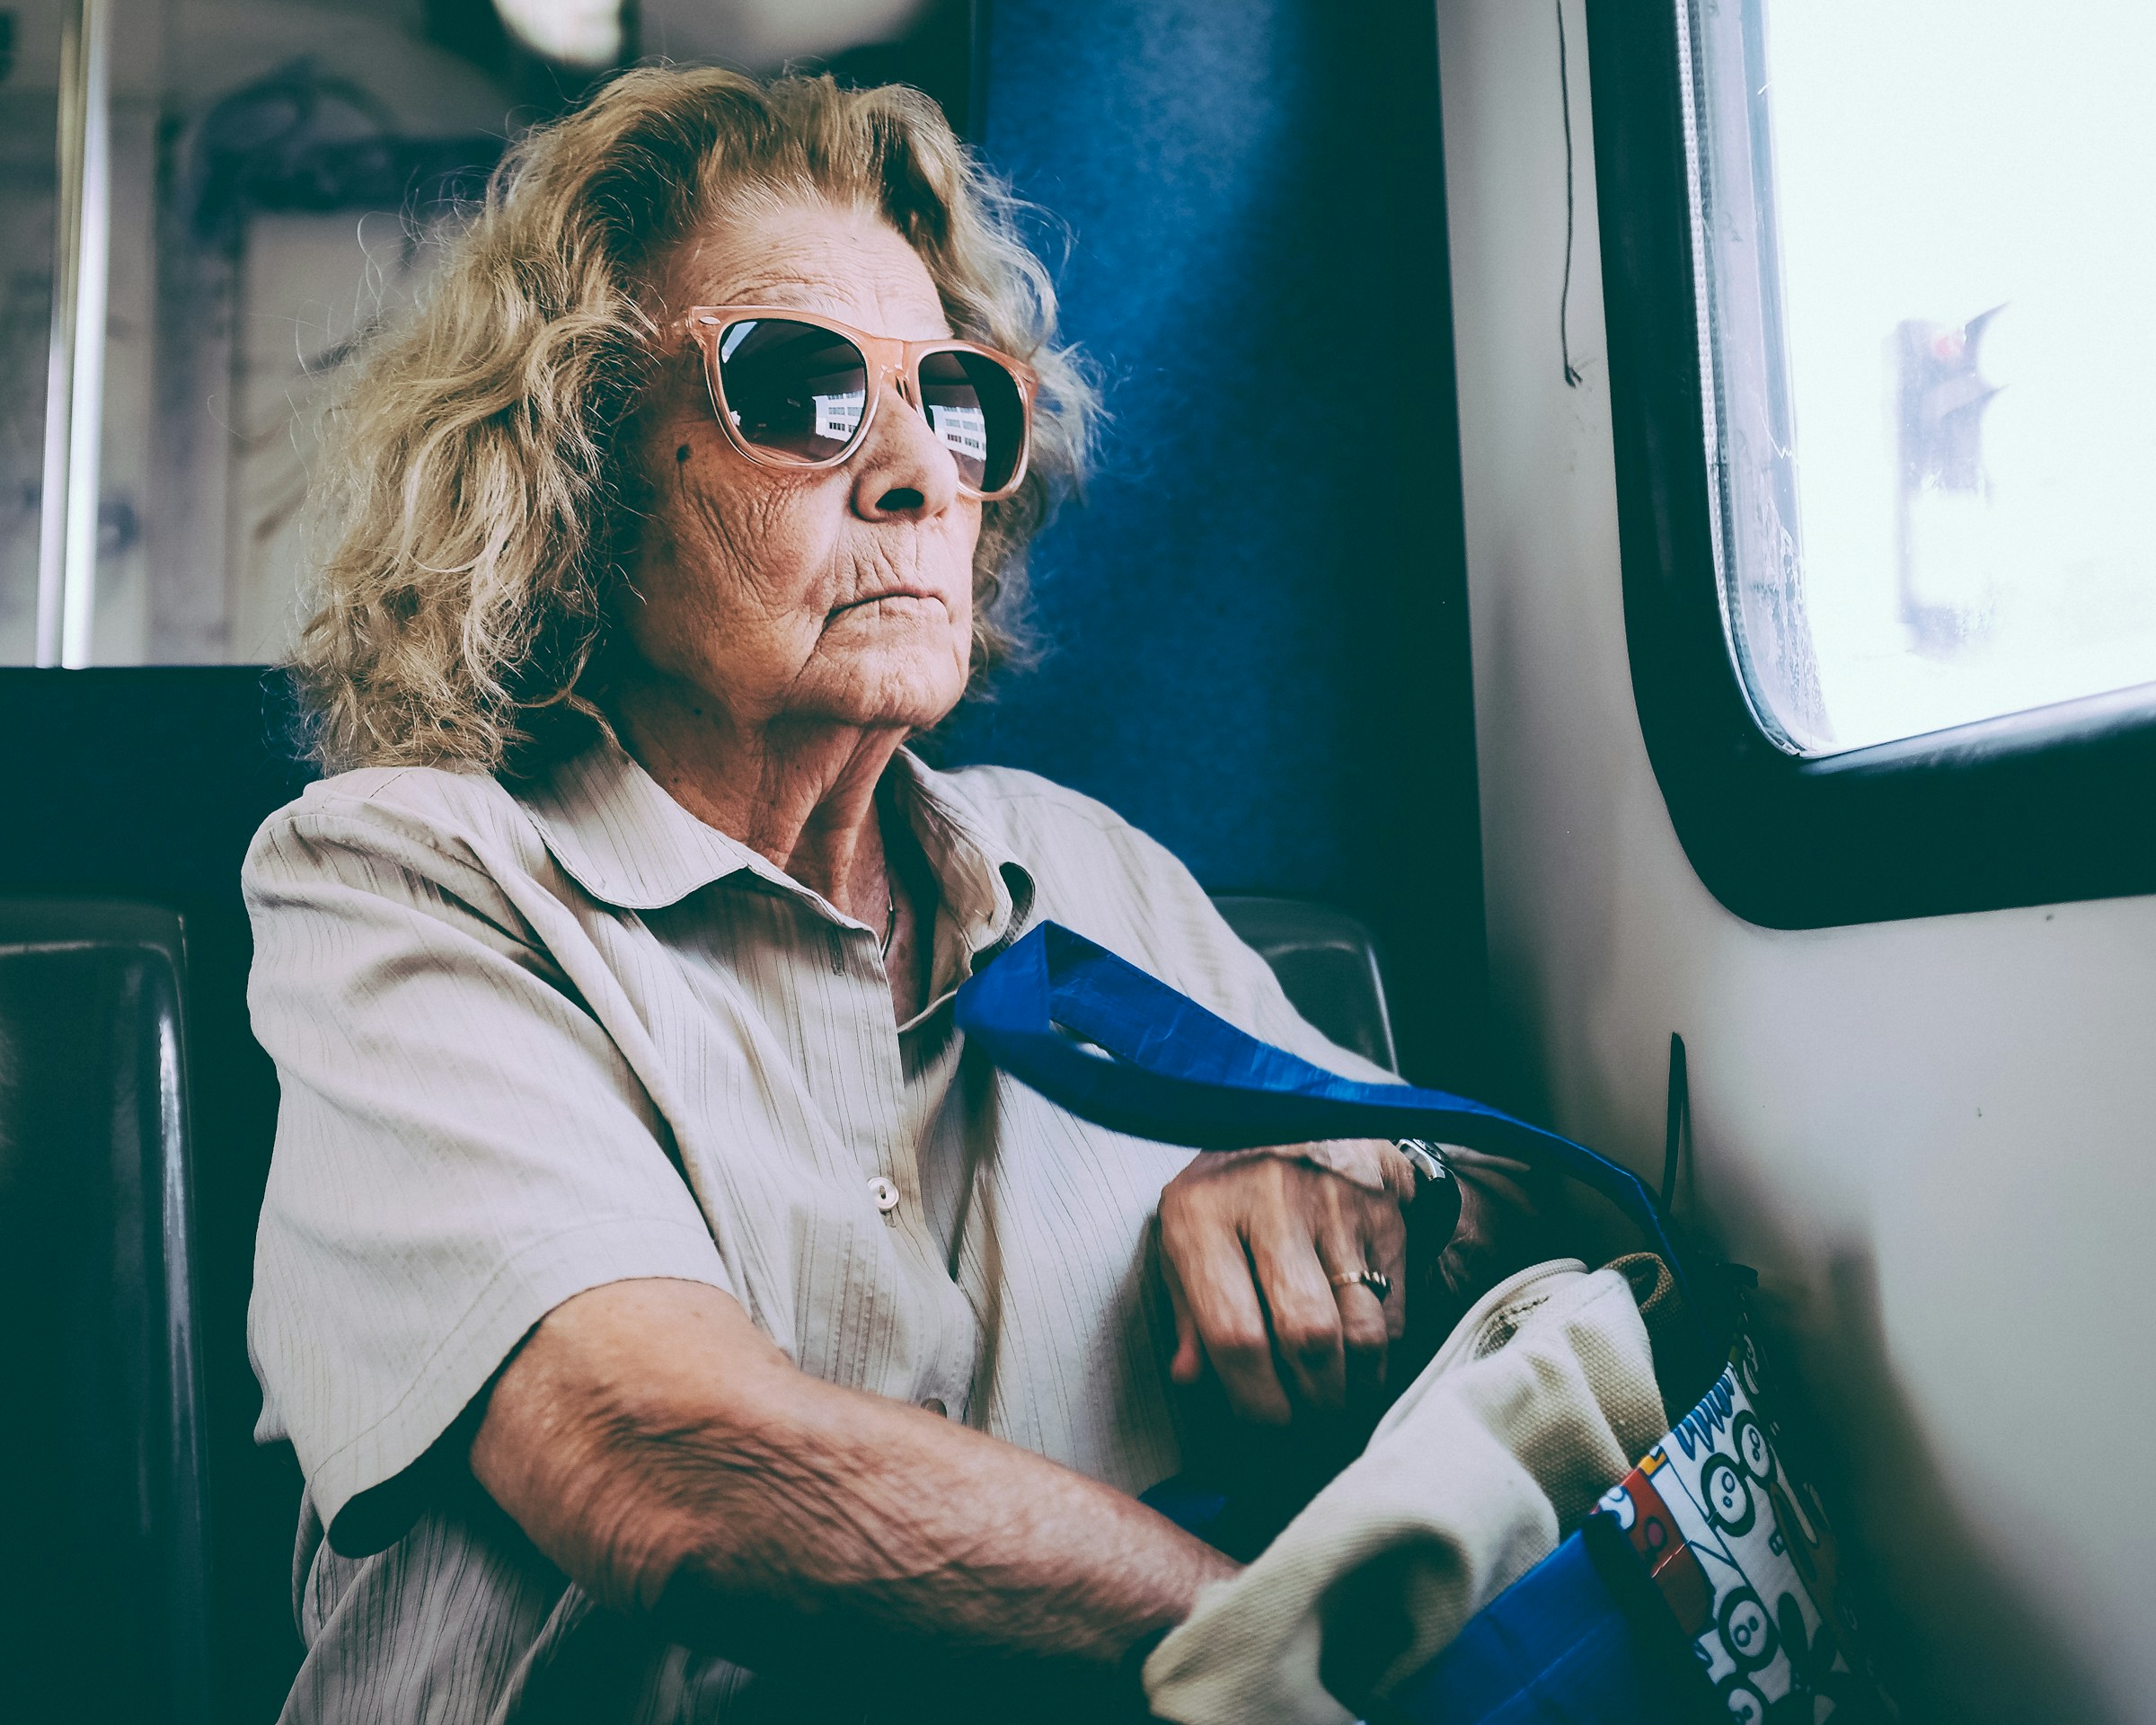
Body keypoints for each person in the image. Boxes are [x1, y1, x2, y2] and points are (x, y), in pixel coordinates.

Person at [244, 66, 1533, 1722]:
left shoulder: (1084, 869)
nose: (922, 468)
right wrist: (1303, 1661)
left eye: (955, 398)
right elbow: (667, 1462)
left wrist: (1368, 1199)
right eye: (803, 388)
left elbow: (1523, 1217)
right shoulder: (412, 881)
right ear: (577, 465)